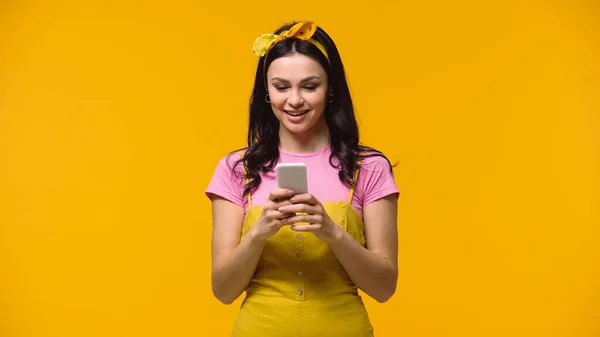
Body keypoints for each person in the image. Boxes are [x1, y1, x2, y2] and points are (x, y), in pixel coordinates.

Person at [205, 21, 400, 337]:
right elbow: (223, 291)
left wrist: (332, 232)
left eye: (310, 86)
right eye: (281, 87)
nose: (294, 100)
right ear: (266, 92)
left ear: (331, 88)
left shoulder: (370, 167)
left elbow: (384, 288)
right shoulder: (235, 168)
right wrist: (259, 233)